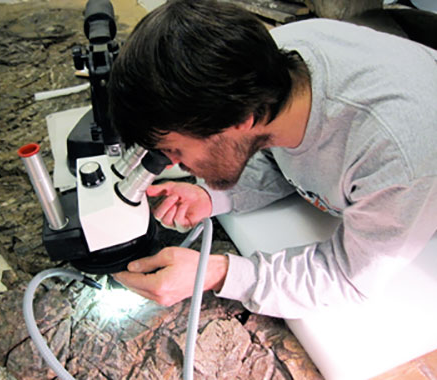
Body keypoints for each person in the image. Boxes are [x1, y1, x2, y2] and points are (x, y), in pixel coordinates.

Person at [109, 0, 437, 318]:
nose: (172, 165)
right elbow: (284, 152)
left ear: (238, 119)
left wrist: (215, 273)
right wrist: (216, 195)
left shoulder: (396, 154)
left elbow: (348, 279)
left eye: (175, 150)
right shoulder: (270, 63)